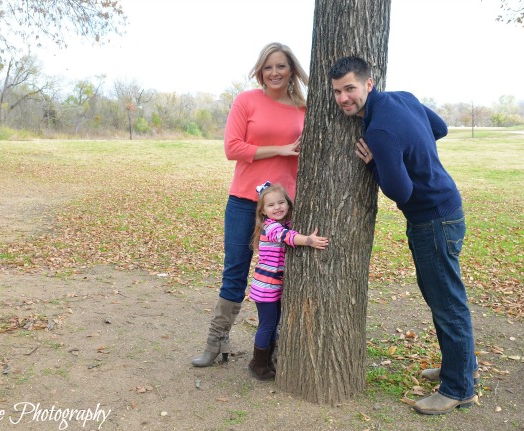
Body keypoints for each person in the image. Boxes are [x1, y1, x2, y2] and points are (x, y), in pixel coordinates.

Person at [329, 56, 478, 415]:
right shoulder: (404, 97)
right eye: (337, 91)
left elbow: (402, 192)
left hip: (432, 221)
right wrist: (414, 148)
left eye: (350, 88)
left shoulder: (379, 131)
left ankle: (458, 388)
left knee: (446, 303)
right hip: (446, 211)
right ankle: (460, 366)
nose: (344, 98)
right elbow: (439, 128)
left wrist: (376, 161)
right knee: (442, 297)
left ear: (368, 83)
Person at [191, 42, 309, 367]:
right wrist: (281, 149)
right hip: (245, 201)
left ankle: (273, 349)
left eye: (281, 66)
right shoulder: (246, 101)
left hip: (285, 209)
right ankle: (216, 342)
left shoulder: (304, 108)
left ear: (291, 71)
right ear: (260, 70)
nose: (274, 72)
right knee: (235, 272)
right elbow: (232, 147)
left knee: (284, 276)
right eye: (268, 67)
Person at [247, 182, 328, 380]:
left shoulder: (282, 224)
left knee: (274, 324)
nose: (277, 208)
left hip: (275, 286)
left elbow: (289, 231)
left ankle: (268, 360)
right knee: (267, 325)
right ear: (263, 211)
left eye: (281, 202)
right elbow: (288, 237)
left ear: (288, 204)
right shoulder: (272, 228)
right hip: (266, 288)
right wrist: (309, 240)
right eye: (271, 205)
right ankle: (258, 364)